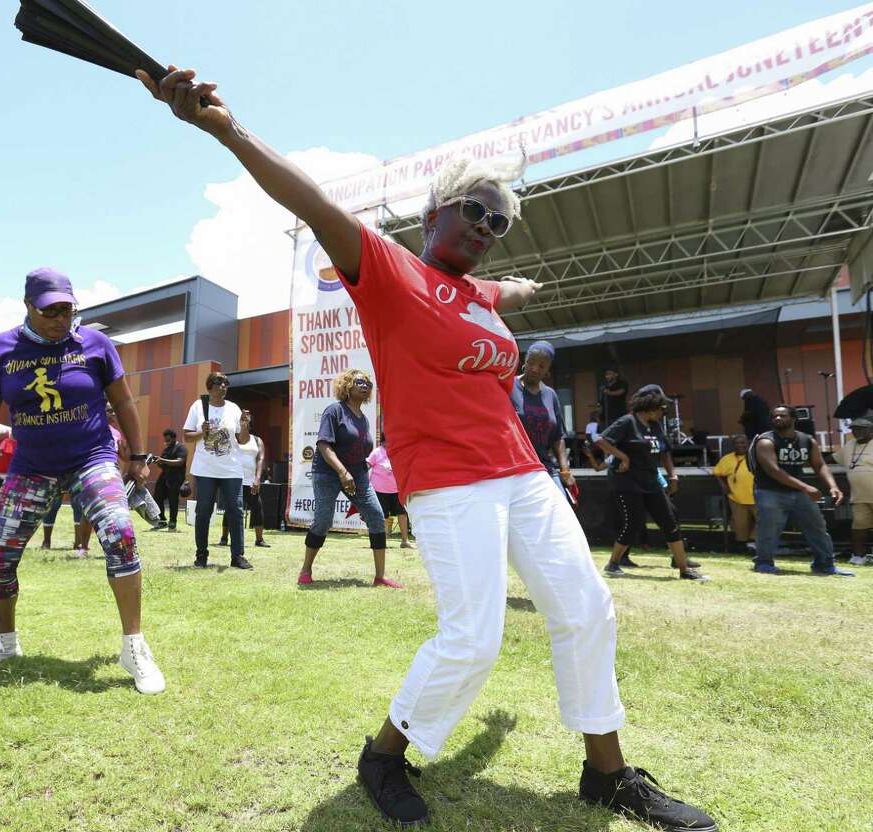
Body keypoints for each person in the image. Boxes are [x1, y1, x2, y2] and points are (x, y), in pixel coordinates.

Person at [141, 66, 716, 832]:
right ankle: (383, 756)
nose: (485, 225)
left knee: (587, 609)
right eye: (474, 211)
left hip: (522, 473)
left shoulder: (479, 297)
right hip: (448, 480)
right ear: (434, 211)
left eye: (500, 220)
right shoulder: (389, 272)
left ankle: (606, 775)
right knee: (473, 639)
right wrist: (224, 127)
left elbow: (498, 291)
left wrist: (517, 285)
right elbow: (310, 201)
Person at [0, 267, 165, 693]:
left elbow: (123, 400)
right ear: (28, 306)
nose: (60, 318)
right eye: (50, 311)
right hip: (31, 465)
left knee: (120, 532)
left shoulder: (96, 344)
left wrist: (139, 457)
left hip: (92, 457)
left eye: (67, 309)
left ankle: (134, 646)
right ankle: (5, 643)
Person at [594, 386, 708, 580]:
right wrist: (623, 457)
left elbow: (664, 452)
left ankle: (683, 569)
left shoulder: (655, 426)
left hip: (651, 480)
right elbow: (601, 440)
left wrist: (673, 476)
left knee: (669, 520)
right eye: (661, 408)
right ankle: (613, 564)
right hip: (627, 481)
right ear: (650, 407)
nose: (664, 412)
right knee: (634, 522)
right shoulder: (627, 422)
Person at [298, 370, 398, 588]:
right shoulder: (334, 411)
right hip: (327, 471)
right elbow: (324, 445)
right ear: (347, 386)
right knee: (323, 520)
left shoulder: (363, 419)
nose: (365, 386)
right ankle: (305, 570)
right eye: (360, 382)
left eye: (369, 384)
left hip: (357, 473)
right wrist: (342, 472)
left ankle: (380, 576)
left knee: (375, 514)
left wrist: (354, 473)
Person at [750, 405, 854, 576]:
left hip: (798, 493)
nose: (777, 419)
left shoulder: (807, 440)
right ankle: (764, 563)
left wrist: (833, 486)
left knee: (817, 526)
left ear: (793, 419)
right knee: (769, 528)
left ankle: (825, 564)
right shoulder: (766, 441)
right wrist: (806, 487)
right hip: (770, 491)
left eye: (782, 416)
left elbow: (819, 465)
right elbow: (773, 471)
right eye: (774, 416)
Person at [183, 372, 252, 569]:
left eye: (226, 383)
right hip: (205, 468)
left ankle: (237, 556)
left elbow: (243, 440)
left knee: (236, 511)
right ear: (210, 386)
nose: (224, 386)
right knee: (203, 511)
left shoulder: (234, 409)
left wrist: (245, 424)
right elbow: (187, 436)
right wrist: (200, 432)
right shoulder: (198, 406)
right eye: (219, 382)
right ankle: (201, 554)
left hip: (231, 469)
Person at [511, 341, 575, 502]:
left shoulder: (550, 395)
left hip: (544, 467)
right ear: (524, 361)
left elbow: (557, 436)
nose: (534, 368)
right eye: (531, 362)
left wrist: (565, 470)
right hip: (515, 468)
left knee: (562, 508)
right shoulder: (508, 386)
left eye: (541, 366)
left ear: (548, 369)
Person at [218, 409, 269, 548]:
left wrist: (257, 479)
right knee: (230, 509)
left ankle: (259, 540)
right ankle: (224, 538)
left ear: (250, 421)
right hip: (234, 480)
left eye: (247, 416)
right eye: (242, 416)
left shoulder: (257, 440)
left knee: (257, 508)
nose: (245, 417)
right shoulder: (232, 438)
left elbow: (260, 459)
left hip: (250, 481)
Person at [837, 415, 873, 566]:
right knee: (859, 527)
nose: (856, 432)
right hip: (859, 497)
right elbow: (833, 459)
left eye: (861, 429)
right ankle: (859, 556)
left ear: (871, 430)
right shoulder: (849, 444)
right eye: (854, 429)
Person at [712, 434, 756, 555]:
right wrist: (723, 485)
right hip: (736, 497)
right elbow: (717, 472)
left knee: (763, 520)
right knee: (740, 523)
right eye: (738, 443)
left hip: (757, 496)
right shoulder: (727, 459)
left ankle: (753, 543)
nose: (741, 445)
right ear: (733, 446)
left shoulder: (756, 456)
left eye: (743, 443)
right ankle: (742, 547)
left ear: (748, 444)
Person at [367, 433, 412, 548]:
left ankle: (405, 541)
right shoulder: (377, 452)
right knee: (381, 516)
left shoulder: (398, 451)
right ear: (383, 441)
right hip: (379, 491)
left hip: (397, 490)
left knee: (402, 514)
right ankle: (382, 542)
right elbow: (366, 465)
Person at [153, 428, 188, 531]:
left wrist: (162, 460)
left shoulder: (181, 448)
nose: (166, 442)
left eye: (168, 440)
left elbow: (180, 462)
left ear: (174, 438)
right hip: (164, 477)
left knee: (173, 501)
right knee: (157, 498)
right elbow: (163, 465)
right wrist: (158, 462)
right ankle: (162, 520)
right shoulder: (166, 449)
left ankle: (172, 523)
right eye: (165, 440)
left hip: (176, 479)